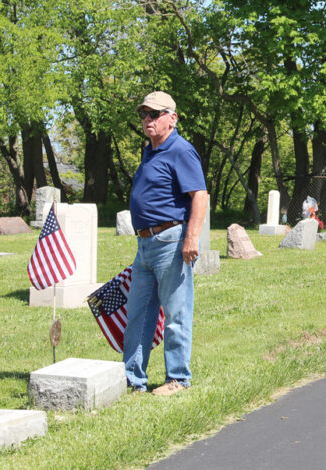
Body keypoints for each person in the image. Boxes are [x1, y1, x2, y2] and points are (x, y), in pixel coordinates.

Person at [123, 91, 209, 396]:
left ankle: (178, 379)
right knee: (138, 315)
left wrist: (191, 238)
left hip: (171, 241)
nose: (147, 119)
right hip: (145, 244)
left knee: (176, 313)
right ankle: (133, 380)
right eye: (144, 114)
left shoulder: (180, 150)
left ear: (171, 118)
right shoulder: (150, 151)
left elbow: (199, 195)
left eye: (154, 114)